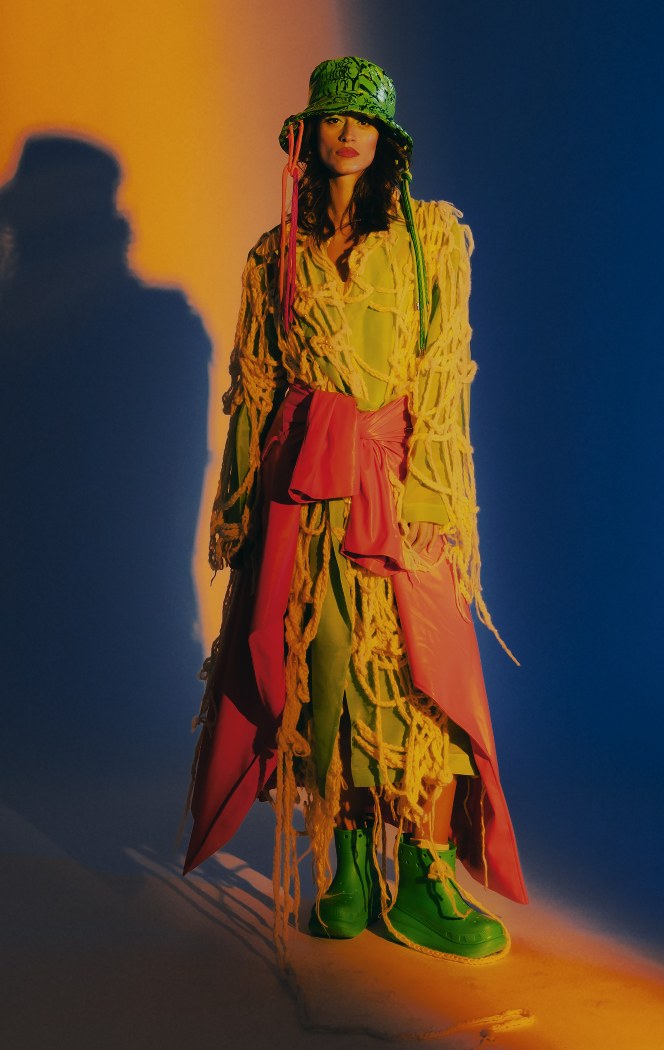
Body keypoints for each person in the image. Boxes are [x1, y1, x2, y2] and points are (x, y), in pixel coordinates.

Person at [183, 56, 528, 969]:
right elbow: (257, 387)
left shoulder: (428, 239)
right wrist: (239, 507)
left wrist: (434, 499)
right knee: (321, 666)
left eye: (363, 120)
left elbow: (443, 375)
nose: (347, 132)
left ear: (386, 141)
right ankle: (346, 859)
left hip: (396, 484)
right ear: (306, 133)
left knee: (417, 671)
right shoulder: (275, 255)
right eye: (332, 116)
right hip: (306, 494)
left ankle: (422, 869)